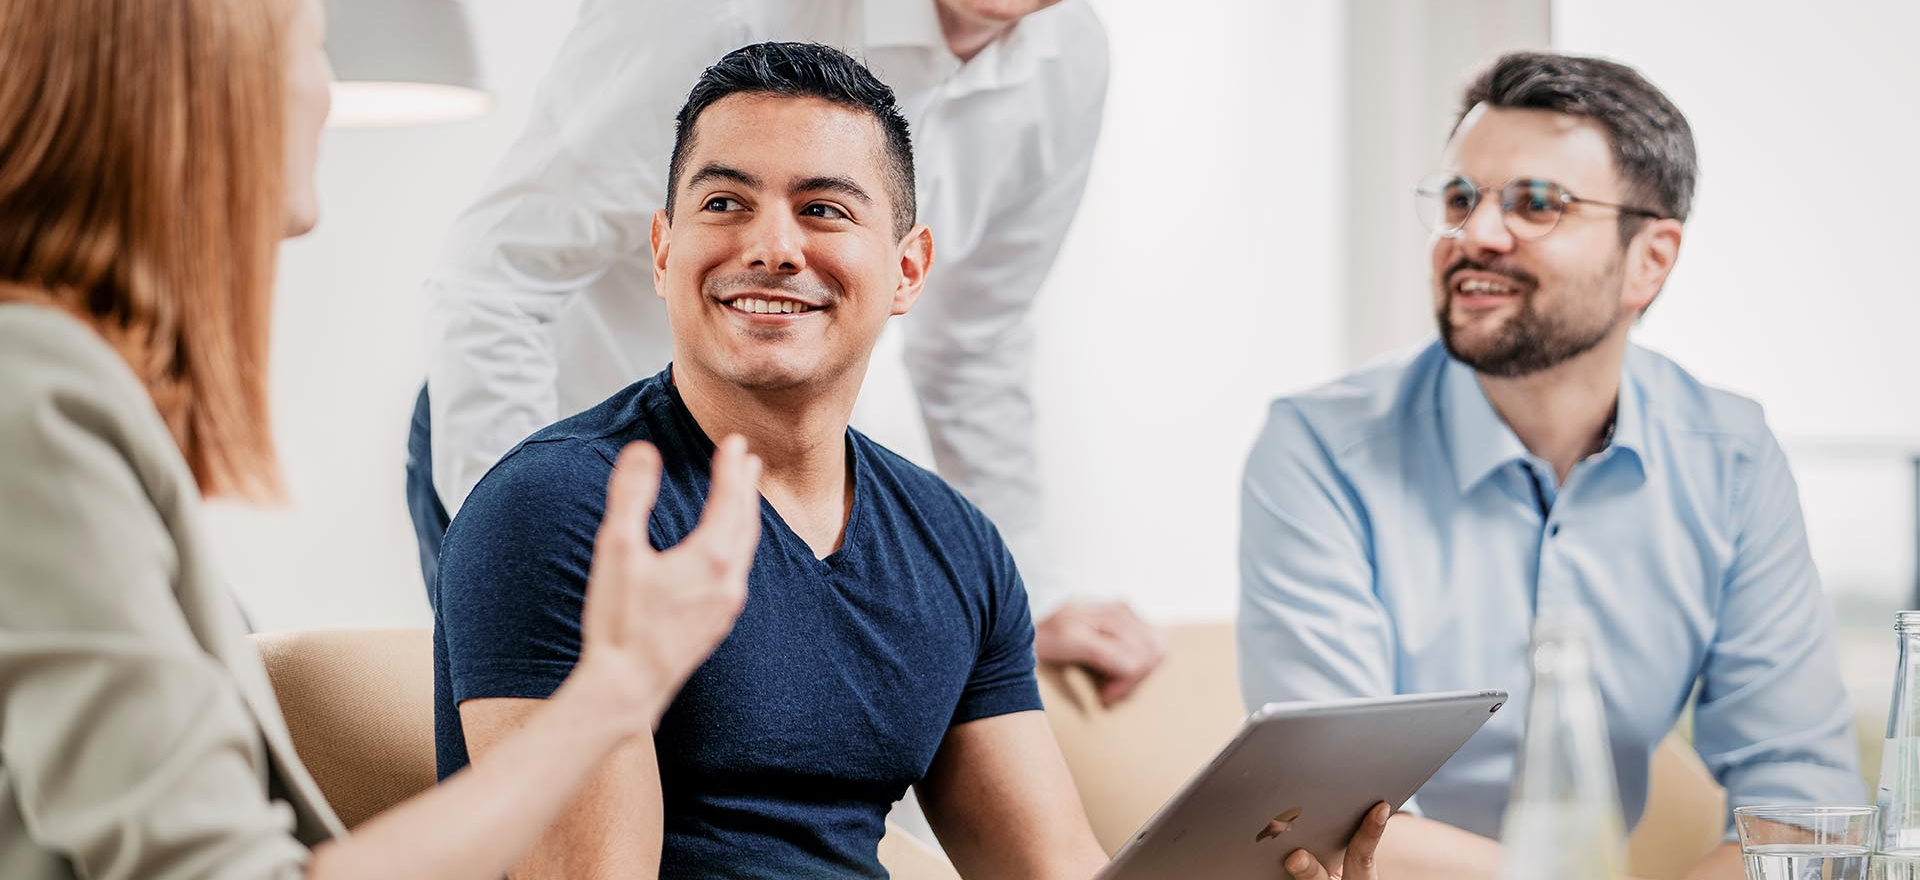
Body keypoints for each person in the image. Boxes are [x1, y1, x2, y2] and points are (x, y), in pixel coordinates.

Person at [434, 41, 1382, 880]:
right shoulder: (556, 511)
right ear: (663, 247)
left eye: (824, 209)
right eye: (724, 202)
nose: (770, 248)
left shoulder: (954, 545)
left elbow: (1048, 865)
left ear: (910, 270)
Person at [0, 0, 766, 877]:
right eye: (313, 49)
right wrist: (613, 689)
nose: (326, 96)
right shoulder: (34, 398)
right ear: (205, 89)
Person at [407, 0, 1164, 705]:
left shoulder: (1068, 60)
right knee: (576, 806)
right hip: (552, 443)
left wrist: (1030, 591)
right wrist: (529, 530)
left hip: (770, 478)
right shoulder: (707, 12)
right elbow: (496, 277)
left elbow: (976, 347)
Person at [1237, 51, 1861, 880]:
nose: (1476, 235)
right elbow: (1335, 816)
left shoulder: (1732, 459)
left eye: (1536, 204)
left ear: (1652, 260)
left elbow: (1805, 807)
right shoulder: (1319, 449)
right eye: (1460, 199)